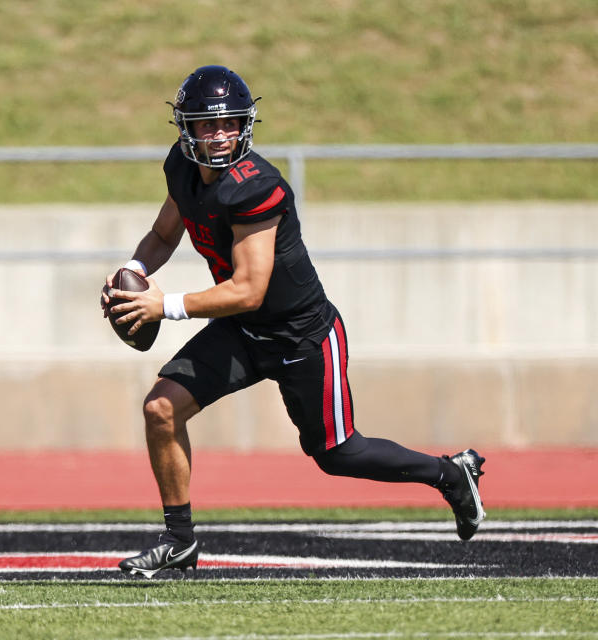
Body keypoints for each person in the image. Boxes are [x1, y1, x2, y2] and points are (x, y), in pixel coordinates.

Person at [102, 65, 486, 578]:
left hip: (300, 333)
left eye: (229, 124)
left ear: (245, 125)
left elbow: (249, 287)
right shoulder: (182, 168)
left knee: (337, 453)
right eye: (207, 126)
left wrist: (163, 305)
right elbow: (164, 233)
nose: (219, 136)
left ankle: (449, 473)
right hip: (244, 330)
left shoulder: (257, 186)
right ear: (186, 129)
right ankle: (179, 541)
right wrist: (134, 269)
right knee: (161, 410)